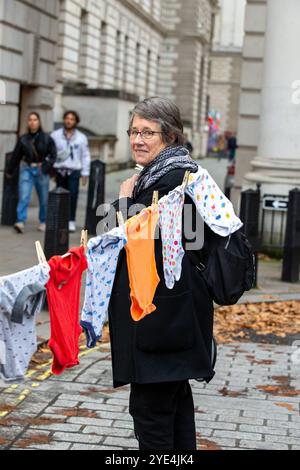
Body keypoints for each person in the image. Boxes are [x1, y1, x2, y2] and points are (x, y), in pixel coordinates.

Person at [107, 97, 218, 451]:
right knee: (174, 402)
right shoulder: (178, 171)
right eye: (133, 131)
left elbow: (134, 240)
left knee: (152, 412)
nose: (137, 140)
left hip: (160, 314)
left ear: (169, 137)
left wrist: (124, 203)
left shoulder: (168, 180)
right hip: (175, 311)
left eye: (147, 132)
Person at [6, 112, 57, 234]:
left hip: (41, 170)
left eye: (35, 119)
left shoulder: (47, 138)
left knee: (44, 198)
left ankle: (43, 221)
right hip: (26, 169)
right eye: (30, 120)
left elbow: (53, 155)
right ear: (28, 122)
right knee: (24, 196)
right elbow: (16, 155)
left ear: (39, 122)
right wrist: (10, 169)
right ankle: (20, 221)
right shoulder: (23, 138)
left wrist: (45, 166)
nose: (32, 122)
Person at [51, 111, 91, 233]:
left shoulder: (81, 138)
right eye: (67, 118)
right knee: (59, 196)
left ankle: (71, 221)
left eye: (72, 119)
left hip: (74, 171)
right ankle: (59, 220)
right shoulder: (55, 135)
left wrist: (85, 173)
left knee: (73, 196)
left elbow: (85, 156)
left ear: (75, 121)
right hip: (60, 170)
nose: (69, 121)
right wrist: (51, 170)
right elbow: (51, 154)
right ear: (64, 120)